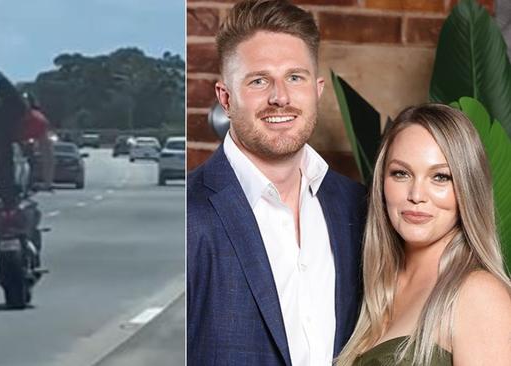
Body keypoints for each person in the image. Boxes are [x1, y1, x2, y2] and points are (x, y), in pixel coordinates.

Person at [187, 1, 367, 365]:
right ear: (226, 98)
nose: (280, 97)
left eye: (294, 77)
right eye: (259, 80)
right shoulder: (188, 216)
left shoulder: (357, 206)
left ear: (317, 90)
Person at [336, 104, 511, 366]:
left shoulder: (478, 295)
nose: (416, 195)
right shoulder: (378, 288)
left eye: (440, 177)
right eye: (401, 173)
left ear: (467, 187)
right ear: (381, 183)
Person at [0, 69, 54, 208]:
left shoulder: (32, 122)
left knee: (3, 162)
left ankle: (7, 196)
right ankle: (1, 82)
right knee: (4, 163)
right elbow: (47, 155)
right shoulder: (37, 122)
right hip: (0, 113)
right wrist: (48, 182)